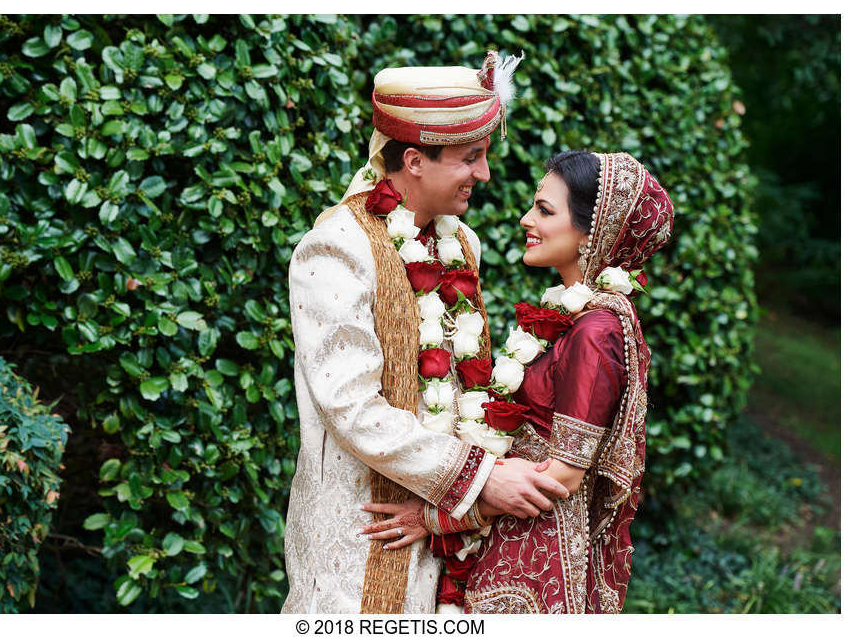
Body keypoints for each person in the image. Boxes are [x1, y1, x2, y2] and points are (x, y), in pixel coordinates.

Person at [282, 52, 569, 614]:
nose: (483, 175)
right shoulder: (336, 248)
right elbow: (351, 408)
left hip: (442, 522)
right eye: (470, 158)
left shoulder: (462, 244)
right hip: (362, 531)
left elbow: (465, 394)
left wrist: (458, 506)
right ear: (414, 160)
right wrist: (479, 479)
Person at [360, 149, 675, 613]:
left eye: (545, 210)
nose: (527, 218)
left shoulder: (596, 331)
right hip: (512, 536)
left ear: (596, 231)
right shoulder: (573, 315)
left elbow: (560, 479)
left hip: (534, 556)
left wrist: (435, 518)